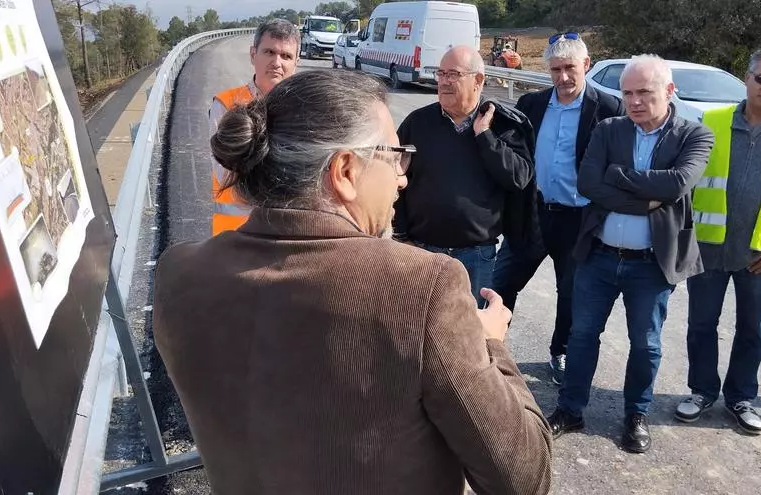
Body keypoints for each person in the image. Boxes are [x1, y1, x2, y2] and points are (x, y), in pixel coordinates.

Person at [153, 70, 552, 495]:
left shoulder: (178, 272)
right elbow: (523, 479)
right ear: (344, 171)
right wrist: (491, 344)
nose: (402, 176)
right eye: (395, 155)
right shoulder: (425, 287)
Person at [545, 55, 714, 453]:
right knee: (582, 335)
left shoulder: (694, 135)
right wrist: (646, 198)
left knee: (646, 344)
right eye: (628, 93)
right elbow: (588, 183)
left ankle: (636, 415)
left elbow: (675, 185)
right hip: (599, 256)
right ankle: (570, 409)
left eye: (645, 92)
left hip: (650, 265)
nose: (635, 101)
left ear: (669, 92)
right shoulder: (609, 129)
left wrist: (617, 178)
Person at [491, 33, 624, 386]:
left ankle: (559, 350)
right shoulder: (532, 103)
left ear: (586, 66)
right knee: (501, 283)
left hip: (579, 219)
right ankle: (491, 349)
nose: (563, 78)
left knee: (571, 293)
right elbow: (510, 151)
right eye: (555, 70)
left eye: (570, 69)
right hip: (533, 213)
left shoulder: (609, 109)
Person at [675, 45, 761, 435]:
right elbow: (685, 185)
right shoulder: (711, 122)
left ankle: (741, 397)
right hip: (708, 248)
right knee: (701, 323)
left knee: (753, 329)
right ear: (747, 78)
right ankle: (702, 391)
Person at [393, 45, 535, 308]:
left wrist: (485, 137)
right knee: (415, 330)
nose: (444, 81)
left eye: (453, 74)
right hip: (421, 251)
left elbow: (519, 178)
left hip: (476, 257)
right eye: (441, 73)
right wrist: (400, 235)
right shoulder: (417, 123)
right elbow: (394, 180)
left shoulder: (502, 125)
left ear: (478, 80)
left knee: (470, 338)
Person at [207, 18, 299, 236]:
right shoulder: (227, 105)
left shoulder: (302, 108)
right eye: (269, 52)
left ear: (296, 62)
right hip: (235, 234)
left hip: (286, 234)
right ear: (252, 54)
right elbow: (226, 174)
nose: (277, 62)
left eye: (286, 56)